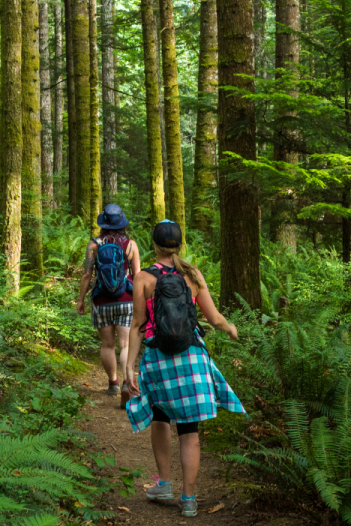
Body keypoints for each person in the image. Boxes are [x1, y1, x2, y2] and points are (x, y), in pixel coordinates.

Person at [124, 220, 245, 518]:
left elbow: (138, 326)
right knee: (190, 429)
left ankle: (164, 482)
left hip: (158, 359)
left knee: (160, 417)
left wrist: (129, 365)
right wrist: (230, 328)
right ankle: (189, 499)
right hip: (191, 357)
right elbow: (214, 318)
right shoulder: (192, 275)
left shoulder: (143, 278)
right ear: (180, 245)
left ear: (154, 244)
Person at [77, 204, 141, 396]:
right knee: (125, 344)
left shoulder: (94, 244)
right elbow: (137, 275)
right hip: (126, 299)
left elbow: (87, 274)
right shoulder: (131, 245)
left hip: (101, 300)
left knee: (107, 345)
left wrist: (81, 299)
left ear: (103, 222)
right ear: (122, 222)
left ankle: (112, 383)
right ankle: (126, 383)